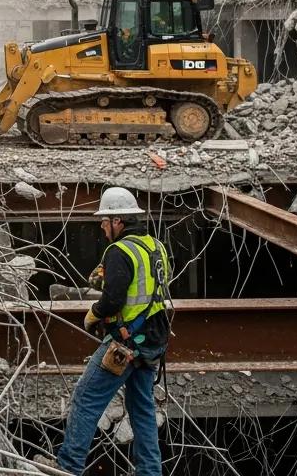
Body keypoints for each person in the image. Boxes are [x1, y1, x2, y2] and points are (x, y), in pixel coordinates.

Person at [55, 187, 171, 476]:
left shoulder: (119, 251)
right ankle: (150, 471)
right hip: (153, 341)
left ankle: (68, 467)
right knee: (142, 409)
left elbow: (114, 299)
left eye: (105, 221)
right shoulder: (155, 246)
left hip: (126, 343)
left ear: (118, 220)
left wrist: (93, 314)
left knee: (86, 398)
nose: (102, 226)